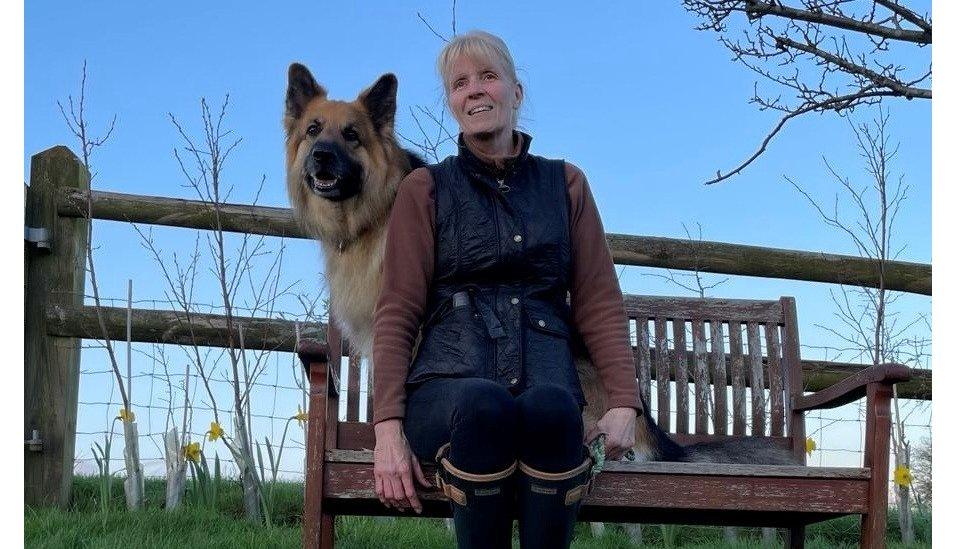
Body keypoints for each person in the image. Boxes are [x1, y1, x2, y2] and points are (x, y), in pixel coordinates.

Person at [370, 30, 641, 549]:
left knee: (554, 409)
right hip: (448, 393)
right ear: (451, 103)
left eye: (488, 77)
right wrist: (387, 428)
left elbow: (599, 300)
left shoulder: (565, 185)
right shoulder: (424, 189)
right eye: (459, 83)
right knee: (484, 403)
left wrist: (624, 403)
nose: (474, 91)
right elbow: (397, 310)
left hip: (545, 381)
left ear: (515, 93)